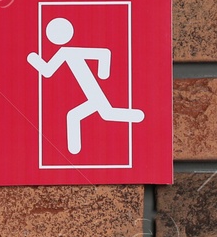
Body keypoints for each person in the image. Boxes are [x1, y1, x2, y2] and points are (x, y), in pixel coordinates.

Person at [25, 16, 144, 155]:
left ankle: (138, 117)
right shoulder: (65, 52)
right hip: (90, 90)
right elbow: (48, 71)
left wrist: (103, 73)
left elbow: (104, 54)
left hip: (92, 89)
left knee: (80, 115)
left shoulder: (67, 52)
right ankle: (137, 116)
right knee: (100, 113)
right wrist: (34, 59)